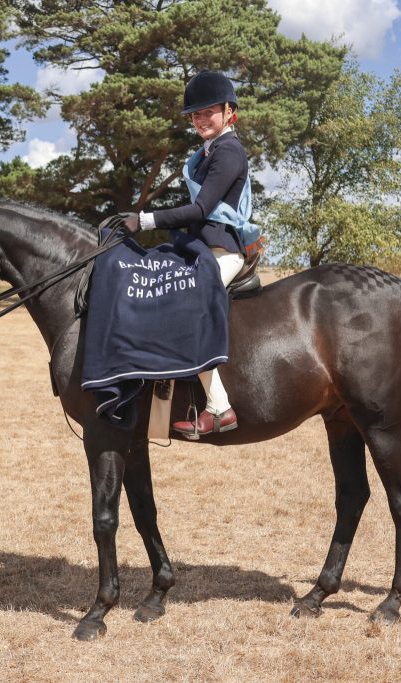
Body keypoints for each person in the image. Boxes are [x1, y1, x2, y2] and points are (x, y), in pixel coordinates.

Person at [120, 70, 259, 438]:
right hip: (201, 247)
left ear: (229, 112)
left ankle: (220, 408)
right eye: (195, 114)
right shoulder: (206, 152)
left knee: (183, 312)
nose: (200, 119)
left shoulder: (229, 151)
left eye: (208, 112)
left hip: (222, 252)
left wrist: (145, 220)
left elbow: (200, 210)